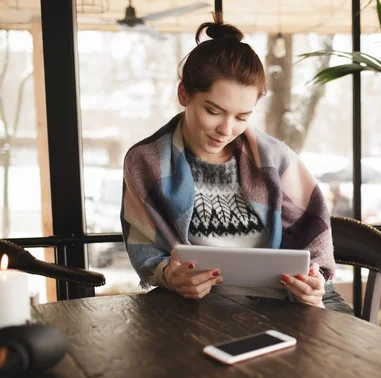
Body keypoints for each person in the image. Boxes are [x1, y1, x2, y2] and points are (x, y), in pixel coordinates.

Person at [120, 13, 352, 315]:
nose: (227, 129)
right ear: (184, 94)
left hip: (285, 299)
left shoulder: (277, 160)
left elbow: (314, 236)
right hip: (198, 302)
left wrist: (314, 281)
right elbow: (145, 247)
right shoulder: (146, 162)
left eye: (242, 117)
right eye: (213, 111)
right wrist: (170, 276)